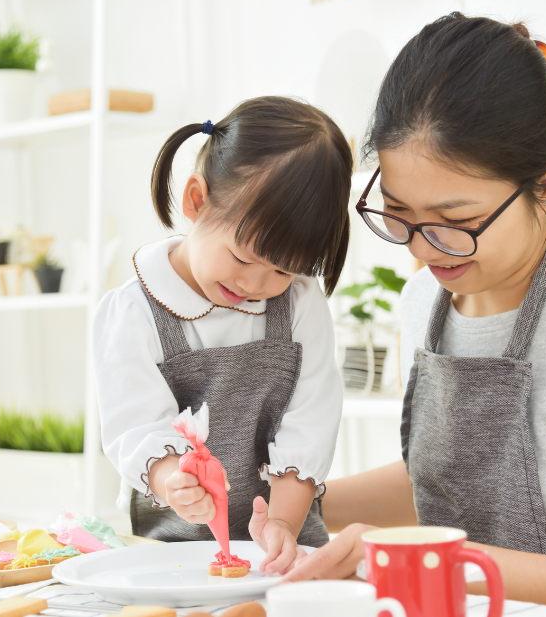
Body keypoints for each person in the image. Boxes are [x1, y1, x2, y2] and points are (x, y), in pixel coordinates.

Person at [262, 14, 546, 617]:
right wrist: (285, 511)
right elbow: (443, 477)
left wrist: (422, 561)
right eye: (399, 216)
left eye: (456, 223)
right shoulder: (425, 300)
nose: (423, 250)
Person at [94, 96, 352, 574]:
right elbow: (134, 425)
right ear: (197, 200)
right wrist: (174, 480)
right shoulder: (133, 311)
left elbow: (310, 419)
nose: (255, 285)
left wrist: (281, 524)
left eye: (280, 268)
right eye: (242, 257)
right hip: (172, 554)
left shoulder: (299, 302)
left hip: (285, 549)